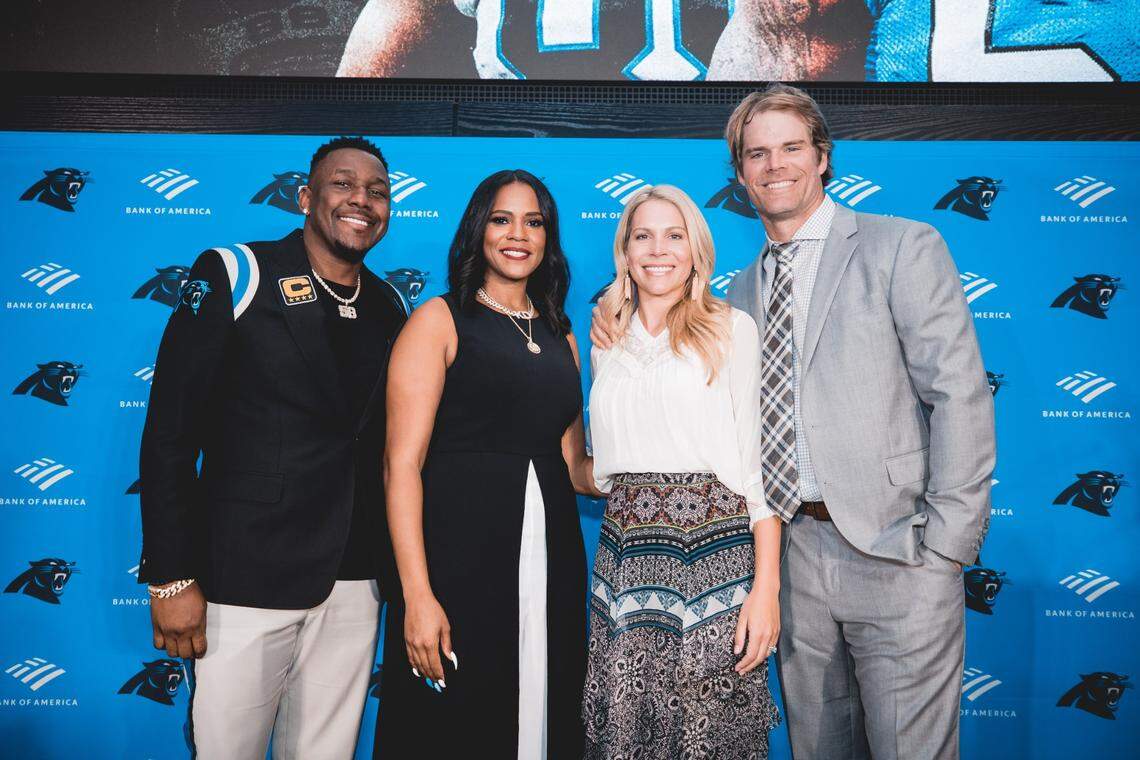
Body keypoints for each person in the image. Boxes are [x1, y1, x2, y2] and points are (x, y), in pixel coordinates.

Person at [593, 84, 996, 759]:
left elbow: (959, 396)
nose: (774, 165)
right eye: (757, 153)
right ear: (741, 173)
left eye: (790, 148)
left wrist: (946, 548)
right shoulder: (739, 293)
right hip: (792, 559)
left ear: (823, 158)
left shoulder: (901, 246)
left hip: (899, 554)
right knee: (819, 748)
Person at [138, 136, 408, 759]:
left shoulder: (390, 305)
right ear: (308, 197)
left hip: (353, 578)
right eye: (343, 185)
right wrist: (170, 577)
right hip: (243, 577)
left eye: (377, 191)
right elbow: (169, 435)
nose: (360, 201)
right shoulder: (237, 272)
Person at [377, 169, 595, 759]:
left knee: (544, 706)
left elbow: (576, 467)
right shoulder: (438, 321)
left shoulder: (563, 335)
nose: (517, 234)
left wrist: (676, 461)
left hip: (550, 558)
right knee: (454, 722)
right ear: (478, 230)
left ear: (549, 237)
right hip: (456, 561)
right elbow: (401, 465)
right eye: (501, 219)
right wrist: (417, 595)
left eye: (534, 221)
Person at [584, 184, 781, 759]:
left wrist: (765, 588)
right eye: (642, 236)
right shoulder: (607, 339)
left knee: (710, 733)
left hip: (715, 556)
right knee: (627, 727)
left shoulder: (731, 329)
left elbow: (756, 467)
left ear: (696, 248)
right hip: (624, 556)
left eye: (674, 235)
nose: (658, 250)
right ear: (624, 251)